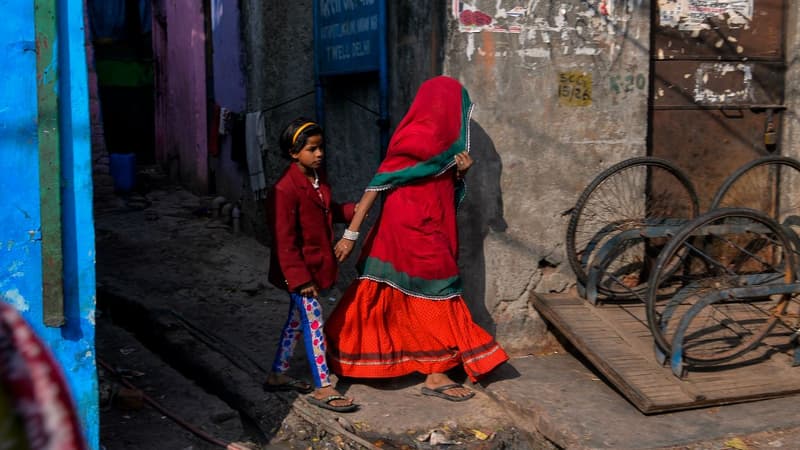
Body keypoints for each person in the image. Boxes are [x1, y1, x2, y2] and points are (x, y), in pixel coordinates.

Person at [327, 76, 509, 402]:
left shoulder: (448, 148)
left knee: (420, 294)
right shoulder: (415, 138)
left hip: (433, 227)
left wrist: (459, 174)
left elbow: (439, 191)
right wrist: (351, 234)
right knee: (432, 293)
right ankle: (431, 372)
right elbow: (378, 183)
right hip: (405, 230)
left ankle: (426, 370)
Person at [263, 118, 358, 412]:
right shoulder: (284, 190)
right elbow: (284, 242)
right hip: (299, 273)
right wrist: (300, 279)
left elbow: (326, 213)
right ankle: (323, 386)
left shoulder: (317, 179)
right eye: (312, 149)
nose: (319, 154)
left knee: (296, 322)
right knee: (313, 321)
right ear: (294, 153)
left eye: (321, 148)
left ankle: (278, 375)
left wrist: (357, 209)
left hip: (315, 266)